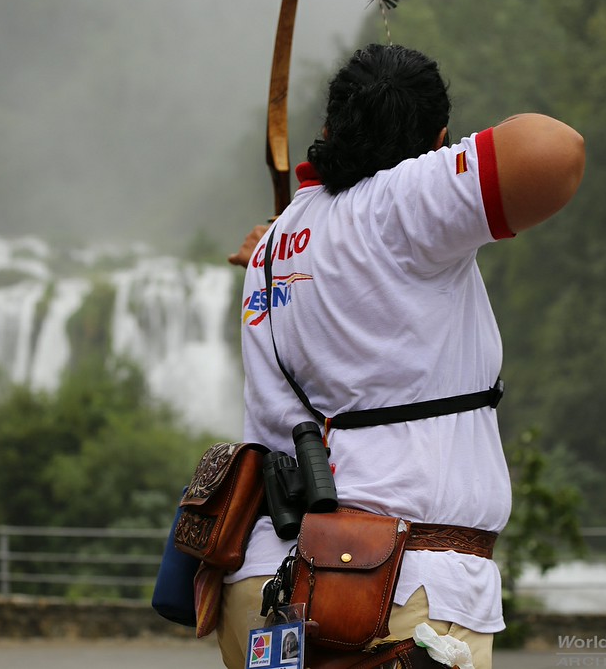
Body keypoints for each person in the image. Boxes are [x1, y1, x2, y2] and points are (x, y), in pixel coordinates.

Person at [221, 43, 585, 669]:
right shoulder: (405, 202)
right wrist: (435, 168)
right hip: (389, 587)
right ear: (436, 142)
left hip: (262, 588)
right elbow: (556, 148)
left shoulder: (277, 240)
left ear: (329, 130)